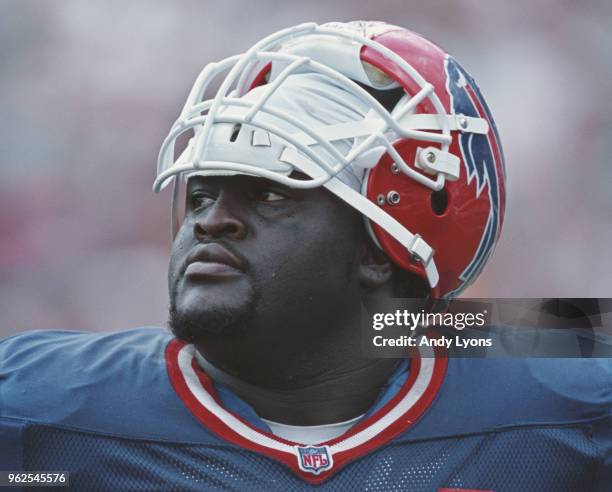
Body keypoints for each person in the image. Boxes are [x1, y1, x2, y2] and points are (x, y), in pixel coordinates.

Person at [1, 21, 610, 491]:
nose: (211, 220)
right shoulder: (39, 402)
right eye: (203, 192)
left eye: (270, 194)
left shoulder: (549, 383)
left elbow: (519, 329)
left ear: (383, 249)